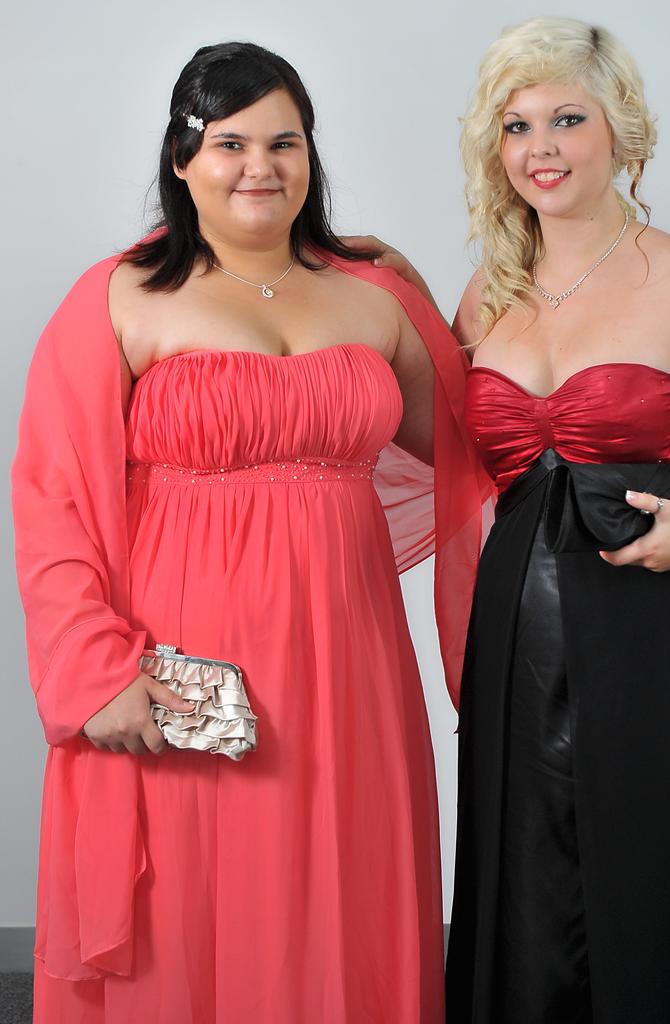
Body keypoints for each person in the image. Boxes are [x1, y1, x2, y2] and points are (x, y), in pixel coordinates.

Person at [11, 42, 488, 1023]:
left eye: (285, 141)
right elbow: (52, 498)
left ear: (312, 157)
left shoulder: (373, 297)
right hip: (181, 663)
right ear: (182, 158)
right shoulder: (121, 294)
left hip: (346, 663)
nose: (259, 165)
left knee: (340, 890)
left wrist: (462, 303)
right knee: (191, 906)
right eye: (229, 142)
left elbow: (471, 451)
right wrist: (97, 672)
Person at [360, 16, 670, 1023]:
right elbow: (446, 450)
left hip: (653, 610)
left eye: (567, 119)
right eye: (516, 126)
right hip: (514, 630)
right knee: (530, 868)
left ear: (621, 129)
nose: (540, 148)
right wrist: (397, 292)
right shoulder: (483, 294)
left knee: (658, 850)